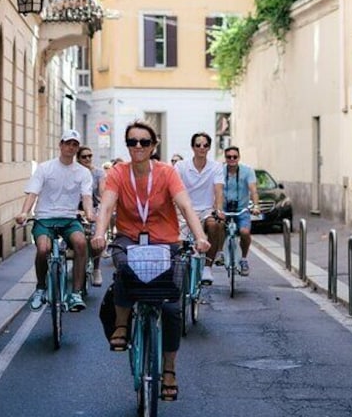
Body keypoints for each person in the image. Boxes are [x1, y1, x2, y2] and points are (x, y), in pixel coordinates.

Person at [92, 121, 210, 401]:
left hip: (165, 242)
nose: (138, 147)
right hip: (130, 239)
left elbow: (185, 205)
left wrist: (200, 236)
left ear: (154, 146)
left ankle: (169, 369)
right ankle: (122, 325)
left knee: (170, 309)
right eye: (132, 142)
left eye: (144, 142)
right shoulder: (119, 173)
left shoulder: (167, 173)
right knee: (124, 267)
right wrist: (98, 233)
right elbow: (107, 205)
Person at [15, 129, 95, 312]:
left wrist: (89, 213)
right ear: (60, 145)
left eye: (74, 144)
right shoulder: (45, 168)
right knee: (43, 249)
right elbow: (33, 192)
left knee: (81, 243)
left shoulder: (83, 172)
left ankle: (75, 293)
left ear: (77, 148)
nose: (71, 147)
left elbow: (87, 196)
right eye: (67, 143)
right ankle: (41, 288)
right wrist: (24, 213)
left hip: (69, 219)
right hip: (45, 218)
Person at [174, 133, 225, 285]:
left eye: (205, 145)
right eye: (198, 145)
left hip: (206, 210)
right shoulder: (181, 166)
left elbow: (218, 190)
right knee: (179, 244)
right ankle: (178, 273)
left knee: (215, 225)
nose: (201, 148)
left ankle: (207, 268)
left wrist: (219, 209)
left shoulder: (216, 167)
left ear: (209, 148)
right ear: (192, 147)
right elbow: (174, 190)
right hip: (185, 210)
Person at [221, 145, 260, 276]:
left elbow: (253, 190)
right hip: (224, 208)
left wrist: (255, 206)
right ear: (225, 158)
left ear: (239, 157)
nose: (232, 159)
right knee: (216, 226)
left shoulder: (247, 171)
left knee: (244, 232)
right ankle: (221, 253)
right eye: (229, 157)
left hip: (241, 209)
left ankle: (243, 259)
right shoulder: (220, 171)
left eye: (234, 157)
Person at [77, 145, 106, 286]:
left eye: (90, 156)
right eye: (84, 156)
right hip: (74, 210)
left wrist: (104, 205)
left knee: (97, 238)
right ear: (78, 159)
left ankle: (96, 269)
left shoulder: (98, 173)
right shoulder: (73, 172)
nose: (88, 159)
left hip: (93, 208)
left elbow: (102, 192)